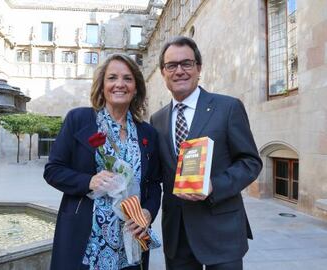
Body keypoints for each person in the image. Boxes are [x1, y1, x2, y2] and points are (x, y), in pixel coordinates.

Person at [150, 36, 263, 270]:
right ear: (163, 72)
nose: (179, 70)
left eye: (187, 63)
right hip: (177, 235)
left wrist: (214, 185)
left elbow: (250, 162)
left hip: (221, 231)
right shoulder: (157, 119)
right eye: (171, 65)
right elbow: (157, 174)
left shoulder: (228, 107)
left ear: (198, 68)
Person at [44, 53, 162, 270]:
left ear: (136, 88)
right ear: (102, 86)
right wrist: (89, 181)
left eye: (127, 79)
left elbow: (154, 184)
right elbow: (53, 170)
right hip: (86, 238)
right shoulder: (79, 120)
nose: (120, 84)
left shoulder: (148, 133)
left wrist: (148, 213)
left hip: (130, 238)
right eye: (112, 78)